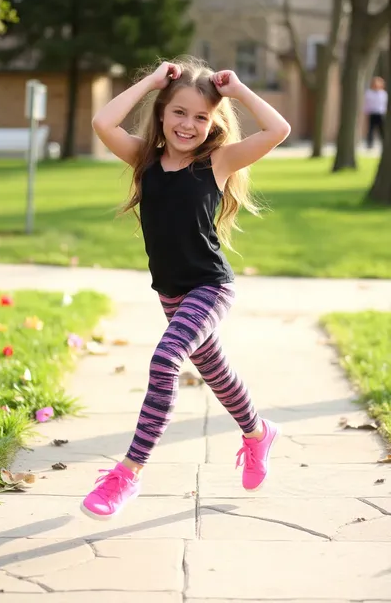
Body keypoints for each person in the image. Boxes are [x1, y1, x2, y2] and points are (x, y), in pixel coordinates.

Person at [81, 56, 291, 520]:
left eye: (201, 116)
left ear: (213, 122)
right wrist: (153, 81)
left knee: (165, 360)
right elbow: (103, 120)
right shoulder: (145, 159)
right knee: (215, 372)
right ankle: (258, 433)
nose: (188, 124)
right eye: (178, 112)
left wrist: (238, 91)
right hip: (171, 294)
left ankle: (128, 474)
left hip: (210, 288)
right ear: (161, 112)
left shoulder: (217, 161)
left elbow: (278, 129)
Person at [364, 76, 388, 148]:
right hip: (372, 113)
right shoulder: (369, 93)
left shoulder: (383, 94)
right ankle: (370, 144)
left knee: (382, 130)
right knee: (371, 129)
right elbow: (367, 104)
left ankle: (385, 143)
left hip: (380, 113)